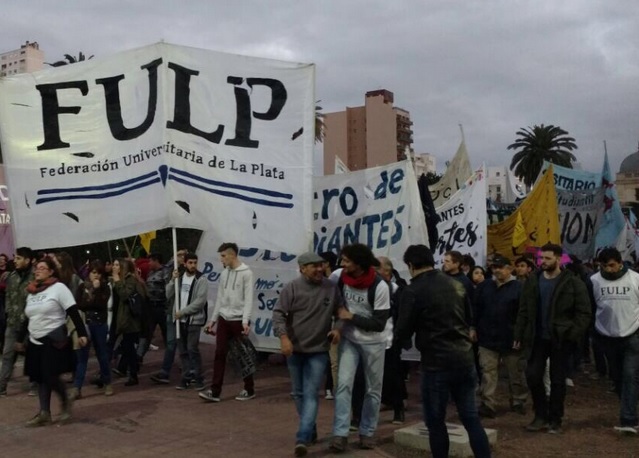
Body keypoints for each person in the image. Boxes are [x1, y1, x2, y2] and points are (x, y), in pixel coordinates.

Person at [396, 244, 491, 458]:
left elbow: (403, 329)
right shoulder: (457, 285)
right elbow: (468, 318)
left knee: (436, 422)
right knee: (471, 418)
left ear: (410, 265)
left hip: (435, 363)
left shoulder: (413, 290)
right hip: (464, 359)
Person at [513, 243, 591, 434]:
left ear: (558, 258)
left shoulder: (573, 282)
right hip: (537, 337)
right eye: (541, 258)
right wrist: (519, 334)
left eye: (548, 258)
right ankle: (540, 414)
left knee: (557, 380)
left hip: (561, 338)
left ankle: (555, 418)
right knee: (532, 375)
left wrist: (572, 334)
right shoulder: (534, 280)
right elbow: (524, 309)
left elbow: (584, 313)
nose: (543, 262)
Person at [272, 252, 342, 457]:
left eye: (321, 265)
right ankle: (309, 427)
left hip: (319, 350)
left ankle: (302, 437)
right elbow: (278, 314)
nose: (319, 269)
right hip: (294, 350)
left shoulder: (331, 287)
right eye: (314, 266)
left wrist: (338, 329)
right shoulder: (292, 288)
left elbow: (341, 312)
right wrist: (283, 338)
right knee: (297, 393)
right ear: (302, 268)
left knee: (311, 394)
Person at [329, 243, 390, 453]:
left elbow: (379, 323)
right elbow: (334, 301)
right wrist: (339, 323)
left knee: (373, 389)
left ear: (359, 263)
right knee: (344, 385)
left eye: (346, 261)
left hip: (374, 343)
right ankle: (340, 433)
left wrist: (351, 316)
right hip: (349, 339)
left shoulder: (380, 286)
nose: (342, 264)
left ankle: (367, 432)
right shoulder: (339, 278)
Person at [16, 257, 88, 426]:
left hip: (53, 339)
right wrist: (20, 339)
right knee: (39, 377)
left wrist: (82, 333)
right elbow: (28, 317)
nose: (37, 270)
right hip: (34, 340)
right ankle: (44, 413)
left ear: (51, 271)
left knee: (50, 375)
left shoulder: (59, 288)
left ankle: (65, 402)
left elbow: (73, 311)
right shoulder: (33, 291)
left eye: (42, 268)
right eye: (36, 268)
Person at [590, 248, 639, 434]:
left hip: (633, 335)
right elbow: (592, 306)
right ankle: (630, 404)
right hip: (607, 337)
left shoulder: (635, 279)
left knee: (629, 376)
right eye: (604, 266)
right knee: (617, 377)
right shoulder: (594, 281)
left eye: (611, 265)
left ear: (620, 263)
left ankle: (628, 419)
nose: (608, 269)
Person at [200, 242, 255, 402]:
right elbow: (220, 298)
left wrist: (245, 321)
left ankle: (249, 388)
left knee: (242, 356)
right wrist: (213, 320)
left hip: (238, 319)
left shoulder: (247, 273)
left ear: (232, 255)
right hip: (224, 318)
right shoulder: (224, 274)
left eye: (223, 256)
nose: (221, 259)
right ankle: (215, 391)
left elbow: (249, 299)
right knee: (219, 353)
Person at [474, 254, 527, 418]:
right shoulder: (485, 286)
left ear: (508, 268)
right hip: (487, 337)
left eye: (500, 267)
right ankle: (488, 404)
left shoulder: (519, 288)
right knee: (488, 372)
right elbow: (476, 309)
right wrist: (473, 327)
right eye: (494, 268)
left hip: (511, 337)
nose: (496, 270)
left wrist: (520, 336)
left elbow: (523, 314)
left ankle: (518, 401)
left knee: (515, 373)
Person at [74, 260, 114, 397]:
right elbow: (80, 304)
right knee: (82, 356)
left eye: (99, 273)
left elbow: (100, 304)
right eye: (93, 272)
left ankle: (107, 382)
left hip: (99, 324)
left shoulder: (105, 287)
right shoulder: (82, 287)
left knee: (102, 355)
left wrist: (95, 291)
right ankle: (77, 387)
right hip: (85, 324)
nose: (96, 275)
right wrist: (89, 300)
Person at [170, 253, 208, 390]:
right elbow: (168, 294)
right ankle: (186, 377)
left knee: (192, 349)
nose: (193, 265)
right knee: (183, 351)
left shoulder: (201, 279)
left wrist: (183, 312)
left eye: (195, 263)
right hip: (179, 321)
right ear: (184, 264)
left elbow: (200, 301)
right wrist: (171, 280)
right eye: (190, 263)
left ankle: (198, 377)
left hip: (193, 320)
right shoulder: (179, 278)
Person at [377, 256, 408, 425]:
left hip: (389, 339)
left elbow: (401, 315)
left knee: (393, 375)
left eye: (377, 268)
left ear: (386, 272)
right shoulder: (370, 287)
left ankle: (398, 408)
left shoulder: (396, 289)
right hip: (371, 340)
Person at [0, 247, 34, 397]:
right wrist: (8, 313)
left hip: (30, 325)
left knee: (32, 356)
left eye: (19, 258)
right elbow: (8, 297)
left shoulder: (35, 277)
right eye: (15, 258)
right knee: (7, 355)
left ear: (28, 260)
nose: (15, 261)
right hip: (13, 324)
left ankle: (35, 384)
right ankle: (2, 386)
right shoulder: (11, 277)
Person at [112, 258, 146, 386]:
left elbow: (125, 295)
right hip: (119, 318)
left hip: (129, 321)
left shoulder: (130, 280)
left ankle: (133, 373)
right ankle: (128, 370)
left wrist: (117, 281)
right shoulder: (118, 280)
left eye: (117, 265)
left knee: (128, 347)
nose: (114, 267)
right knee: (125, 347)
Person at [138, 253, 170, 363]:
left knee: (168, 336)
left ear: (156, 261)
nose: (149, 263)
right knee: (147, 334)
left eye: (150, 261)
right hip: (151, 308)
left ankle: (171, 360)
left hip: (163, 308)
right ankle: (139, 358)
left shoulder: (166, 272)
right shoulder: (150, 273)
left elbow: (169, 289)